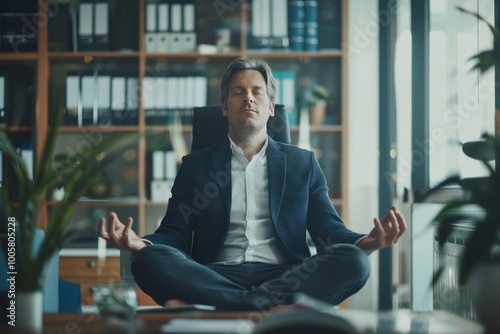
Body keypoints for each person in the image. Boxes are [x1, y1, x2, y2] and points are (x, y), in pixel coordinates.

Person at [98, 57, 407, 311]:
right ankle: (261, 304)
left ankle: (232, 305)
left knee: (354, 261)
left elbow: (328, 232)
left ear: (271, 107)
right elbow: (174, 234)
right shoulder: (196, 166)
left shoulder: (303, 163)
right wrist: (141, 244)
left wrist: (367, 243)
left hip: (287, 275)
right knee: (146, 260)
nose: (248, 97)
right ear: (224, 108)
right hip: (213, 273)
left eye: (257, 92)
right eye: (238, 92)